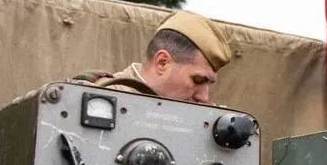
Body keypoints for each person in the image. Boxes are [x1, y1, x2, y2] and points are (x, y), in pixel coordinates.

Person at [90, 10, 232, 102]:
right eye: (198, 80)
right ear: (162, 63)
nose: (203, 97)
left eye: (208, 84)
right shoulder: (99, 99)